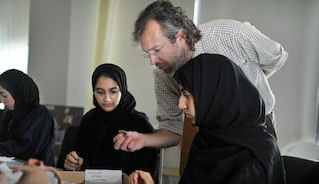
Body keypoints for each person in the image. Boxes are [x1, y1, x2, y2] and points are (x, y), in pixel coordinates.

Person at [128, 53, 287, 184]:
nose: (180, 104)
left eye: (187, 95)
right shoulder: (207, 139)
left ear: (215, 95)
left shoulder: (256, 153)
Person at [113, 0, 288, 152]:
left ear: (180, 37)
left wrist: (246, 91)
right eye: (147, 53)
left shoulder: (230, 35)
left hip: (258, 128)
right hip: (209, 137)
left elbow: (276, 58)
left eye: (157, 50)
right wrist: (143, 139)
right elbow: (173, 129)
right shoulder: (162, 74)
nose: (152, 61)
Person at [64, 63, 158, 176]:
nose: (106, 98)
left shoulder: (140, 125)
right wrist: (74, 163)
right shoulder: (89, 119)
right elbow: (79, 158)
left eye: (113, 91)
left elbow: (147, 176)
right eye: (100, 92)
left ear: (122, 90)